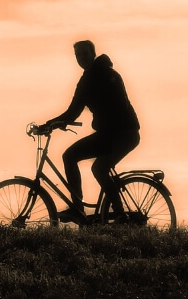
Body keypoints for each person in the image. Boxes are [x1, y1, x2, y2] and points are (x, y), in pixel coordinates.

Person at [43, 40, 140, 222]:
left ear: (93, 54)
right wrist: (52, 123)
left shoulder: (105, 76)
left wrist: (52, 123)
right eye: (78, 56)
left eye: (84, 54)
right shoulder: (88, 79)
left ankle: (119, 214)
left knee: (99, 168)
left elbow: (119, 105)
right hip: (108, 134)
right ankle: (78, 209)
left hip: (125, 133)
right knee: (70, 156)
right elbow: (73, 112)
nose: (81, 58)